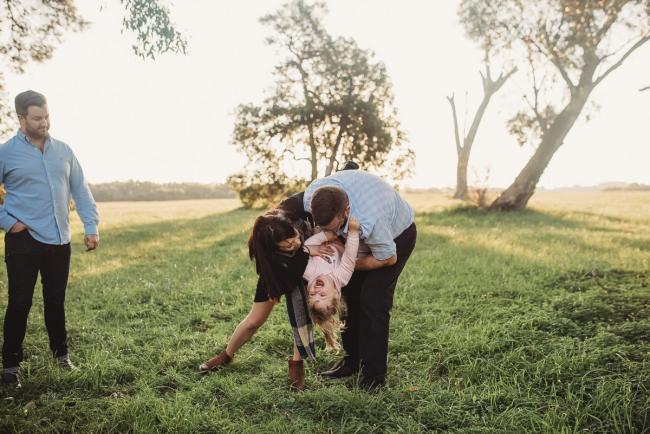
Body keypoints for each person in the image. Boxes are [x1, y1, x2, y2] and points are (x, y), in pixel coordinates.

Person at [0, 90, 99, 387]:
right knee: (20, 301)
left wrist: (91, 226)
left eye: (47, 116)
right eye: (37, 118)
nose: (44, 123)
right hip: (24, 240)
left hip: (59, 240)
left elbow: (80, 189)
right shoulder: (6, 152)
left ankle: (61, 355)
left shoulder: (64, 150)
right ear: (21, 118)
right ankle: (10, 366)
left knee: (55, 301)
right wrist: (8, 223)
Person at [303, 170, 417, 391]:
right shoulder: (311, 196)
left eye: (333, 228)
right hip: (355, 239)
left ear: (346, 212)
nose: (329, 233)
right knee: (348, 295)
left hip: (395, 239)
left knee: (372, 299)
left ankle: (374, 375)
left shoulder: (369, 221)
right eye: (323, 227)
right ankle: (351, 361)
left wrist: (346, 264)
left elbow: (388, 258)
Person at [199, 208, 333, 391]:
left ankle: (297, 363)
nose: (295, 242)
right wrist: (306, 250)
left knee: (300, 313)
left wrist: (305, 248)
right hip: (279, 276)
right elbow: (287, 280)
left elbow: (310, 199)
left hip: (305, 272)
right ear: (273, 247)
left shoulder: (285, 219)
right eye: (287, 244)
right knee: (254, 321)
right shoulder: (268, 256)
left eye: (294, 237)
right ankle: (226, 355)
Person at [303, 217, 361, 351]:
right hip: (340, 239)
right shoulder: (341, 277)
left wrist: (323, 236)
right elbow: (350, 257)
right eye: (322, 294)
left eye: (312, 294)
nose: (316, 290)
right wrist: (353, 232)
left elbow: (304, 249)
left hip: (319, 233)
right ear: (336, 293)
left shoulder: (308, 272)